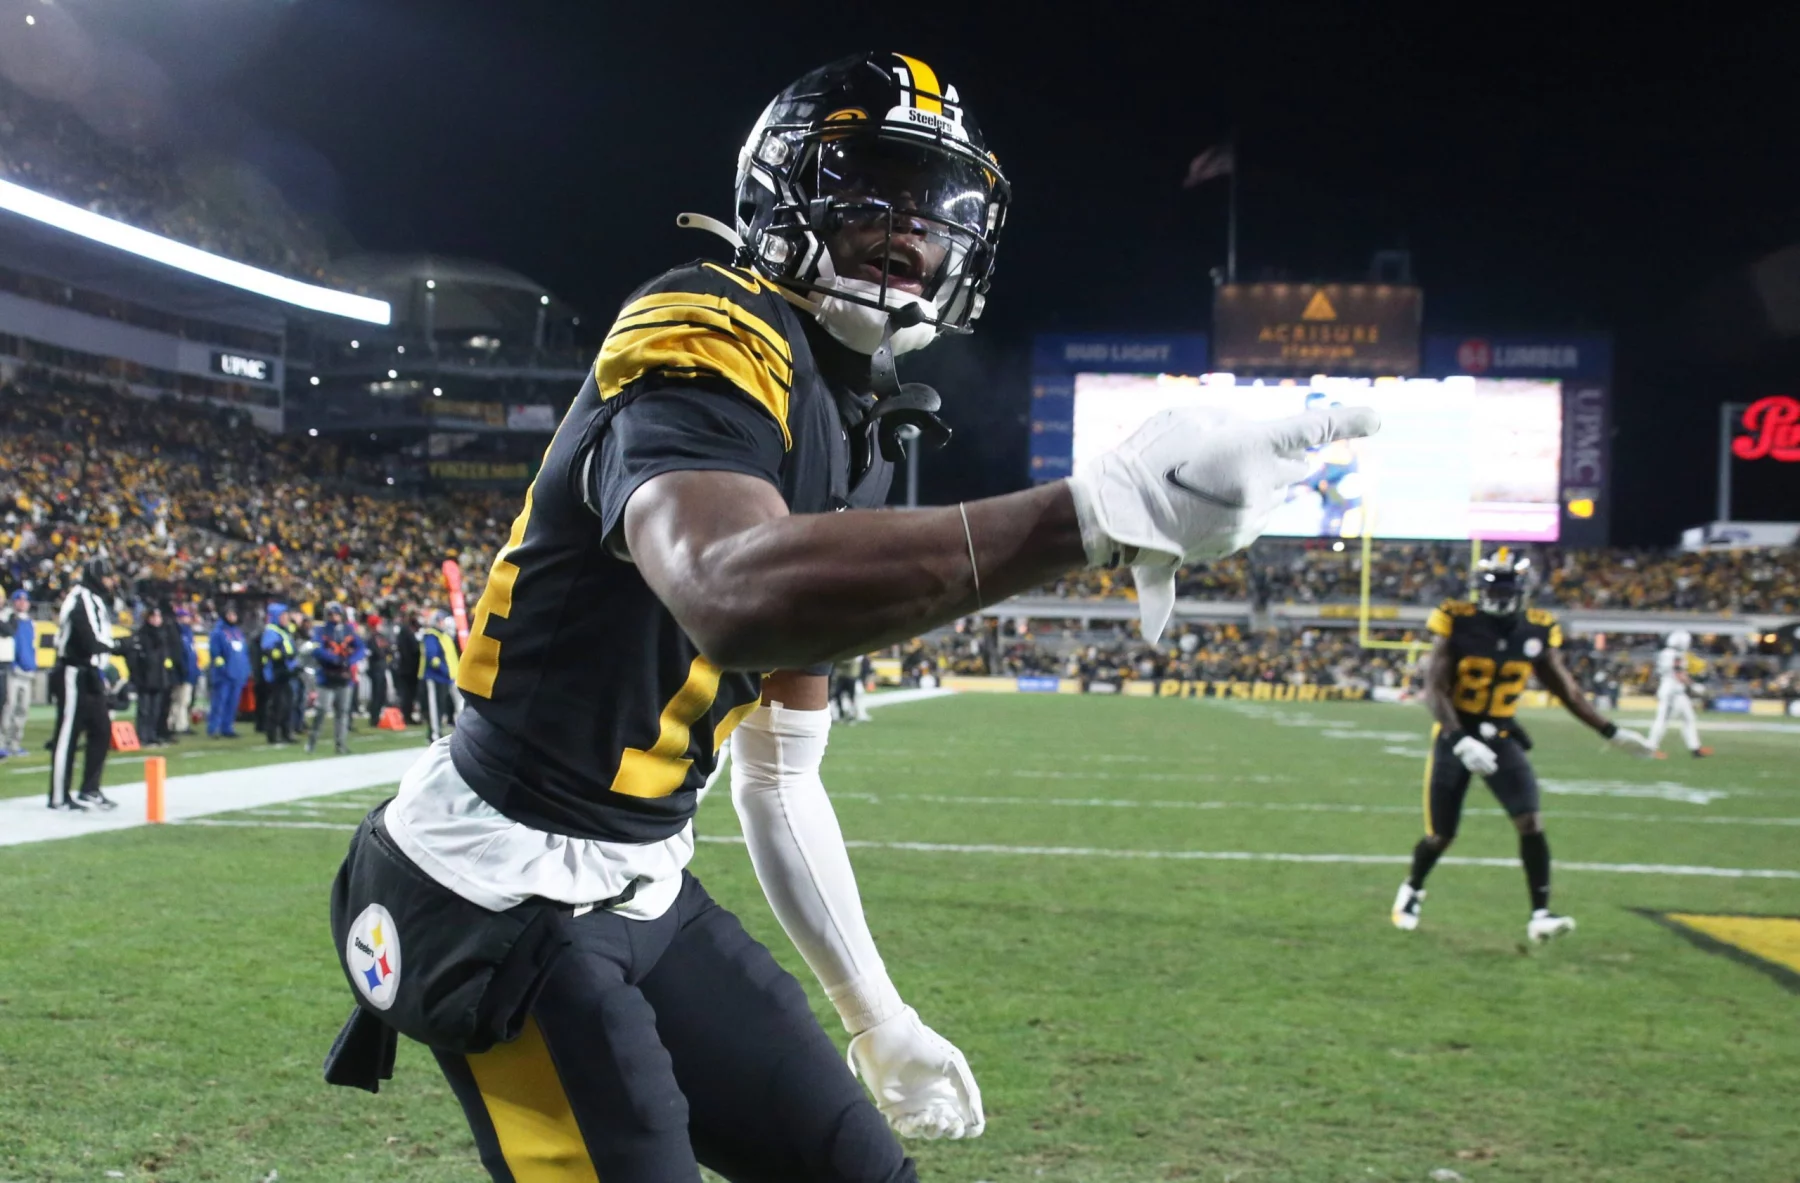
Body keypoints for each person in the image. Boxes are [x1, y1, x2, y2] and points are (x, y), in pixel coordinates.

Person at [325, 51, 1377, 1183]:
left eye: (939, 203)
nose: (910, 226)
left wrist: (875, 1010)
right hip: (492, 887)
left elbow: (779, 775)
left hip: (644, 881)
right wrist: (1094, 510)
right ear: (784, 188)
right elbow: (731, 588)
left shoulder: (845, 418)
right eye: (873, 183)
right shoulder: (707, 322)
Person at [1392, 549, 1654, 942]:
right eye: (1492, 588)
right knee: (1441, 835)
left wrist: (1610, 731)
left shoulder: (1536, 629)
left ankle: (1540, 914)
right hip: (1455, 733)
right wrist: (1460, 738)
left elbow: (1566, 691)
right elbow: (1435, 689)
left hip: (1500, 734)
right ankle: (1411, 890)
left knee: (1530, 821)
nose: (1498, 596)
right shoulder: (1457, 621)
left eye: (1506, 588)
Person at [49, 556, 119, 811]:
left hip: (89, 672)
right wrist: (118, 647)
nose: (111, 582)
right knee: (68, 734)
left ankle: (90, 788)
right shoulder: (80, 599)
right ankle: (58, 795)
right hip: (72, 671)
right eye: (107, 576)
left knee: (101, 728)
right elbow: (88, 639)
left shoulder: (94, 600)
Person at [309, 602, 366, 756]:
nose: (334, 617)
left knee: (343, 712)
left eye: (337, 614)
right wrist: (334, 659)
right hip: (326, 677)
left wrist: (350, 660)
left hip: (344, 676)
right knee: (321, 710)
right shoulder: (320, 630)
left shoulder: (348, 630)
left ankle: (341, 745)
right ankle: (312, 742)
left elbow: (361, 648)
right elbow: (317, 650)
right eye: (331, 614)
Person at [1647, 629, 1712, 758]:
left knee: (1689, 718)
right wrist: (1693, 685)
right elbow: (1678, 673)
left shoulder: (1666, 653)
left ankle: (1695, 748)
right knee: (1662, 720)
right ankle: (1650, 748)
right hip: (1672, 691)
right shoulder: (1675, 654)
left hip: (1676, 690)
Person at [128, 604, 175, 747]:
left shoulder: (164, 634)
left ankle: (152, 735)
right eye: (154, 617)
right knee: (144, 709)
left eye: (158, 617)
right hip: (145, 678)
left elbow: (166, 656)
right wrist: (137, 676)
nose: (157, 620)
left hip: (159, 678)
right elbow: (134, 659)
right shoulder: (141, 635)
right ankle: (143, 736)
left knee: (156, 709)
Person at [207, 604, 251, 738]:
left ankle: (227, 727)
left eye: (234, 615)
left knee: (233, 703)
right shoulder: (218, 632)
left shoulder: (238, 632)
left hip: (238, 674)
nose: (232, 617)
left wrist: (246, 669)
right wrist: (222, 669)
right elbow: (215, 653)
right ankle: (213, 728)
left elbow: (243, 653)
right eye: (230, 615)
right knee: (219, 702)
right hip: (224, 675)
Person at [1, 588, 36, 757]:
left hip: (27, 671)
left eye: (24, 600)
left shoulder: (30, 622)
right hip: (13, 670)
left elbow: (31, 646)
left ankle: (15, 743)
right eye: (18, 600)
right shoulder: (8, 618)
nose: (22, 603)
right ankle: (3, 743)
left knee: (22, 709)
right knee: (9, 707)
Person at [259, 602, 298, 746]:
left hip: (286, 672)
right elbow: (269, 650)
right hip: (276, 673)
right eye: (283, 615)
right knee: (278, 704)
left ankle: (286, 732)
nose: (286, 618)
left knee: (288, 703)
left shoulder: (284, 630)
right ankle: (273, 734)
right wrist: (282, 655)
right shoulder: (271, 631)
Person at [417, 613, 459, 742]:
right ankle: (434, 734)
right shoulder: (431, 635)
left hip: (447, 677)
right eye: (441, 621)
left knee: (442, 706)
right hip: (435, 677)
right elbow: (432, 657)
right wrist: (444, 670)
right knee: (435, 707)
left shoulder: (444, 636)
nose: (443, 623)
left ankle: (438, 731)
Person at [167, 604, 200, 741]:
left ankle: (181, 724)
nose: (188, 619)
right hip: (182, 673)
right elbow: (180, 655)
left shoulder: (188, 633)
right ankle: (175, 724)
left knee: (185, 701)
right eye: (185, 617)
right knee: (178, 700)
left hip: (189, 672)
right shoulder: (178, 633)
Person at [363, 613, 393, 726]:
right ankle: (374, 718)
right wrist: (385, 652)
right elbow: (378, 652)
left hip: (381, 667)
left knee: (382, 693)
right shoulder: (371, 638)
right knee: (376, 693)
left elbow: (388, 649)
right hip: (375, 668)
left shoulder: (380, 636)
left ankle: (377, 716)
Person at [392, 610, 421, 725]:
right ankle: (406, 716)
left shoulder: (407, 630)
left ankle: (408, 715)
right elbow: (411, 650)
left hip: (410, 668)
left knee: (410, 694)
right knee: (407, 694)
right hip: (408, 669)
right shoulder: (406, 631)